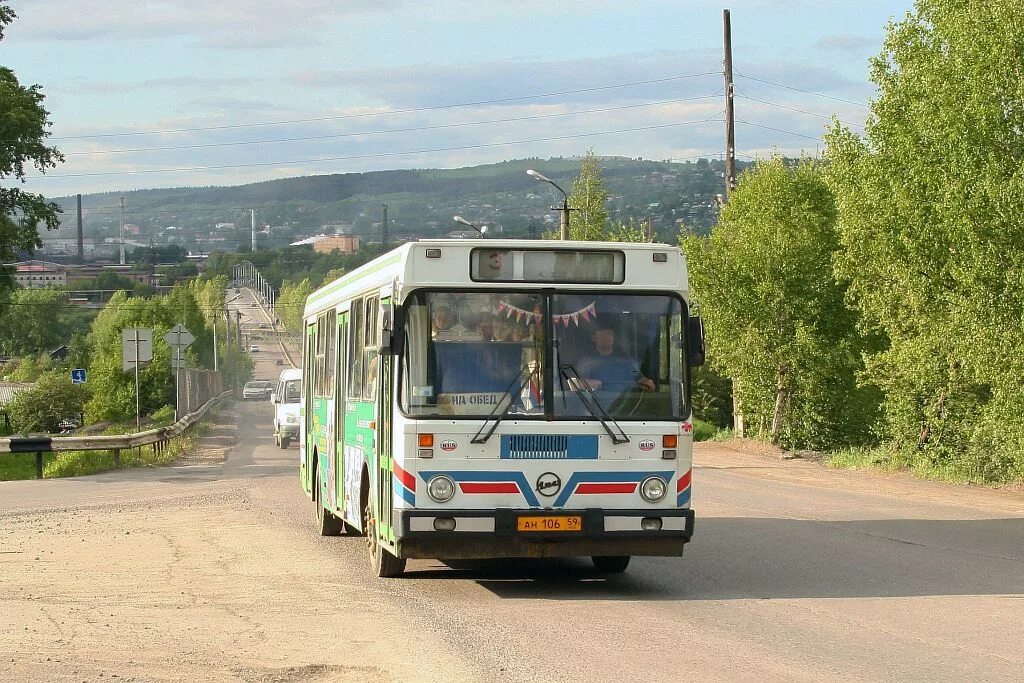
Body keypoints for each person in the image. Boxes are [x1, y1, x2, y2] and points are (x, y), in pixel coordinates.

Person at [573, 324, 654, 404]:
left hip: (624, 407)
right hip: (593, 408)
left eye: (609, 334)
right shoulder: (586, 361)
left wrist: (647, 383)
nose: (606, 337)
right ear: (593, 338)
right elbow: (572, 385)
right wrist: (585, 383)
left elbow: (638, 377)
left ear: (614, 337)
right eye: (602, 334)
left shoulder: (624, 360)